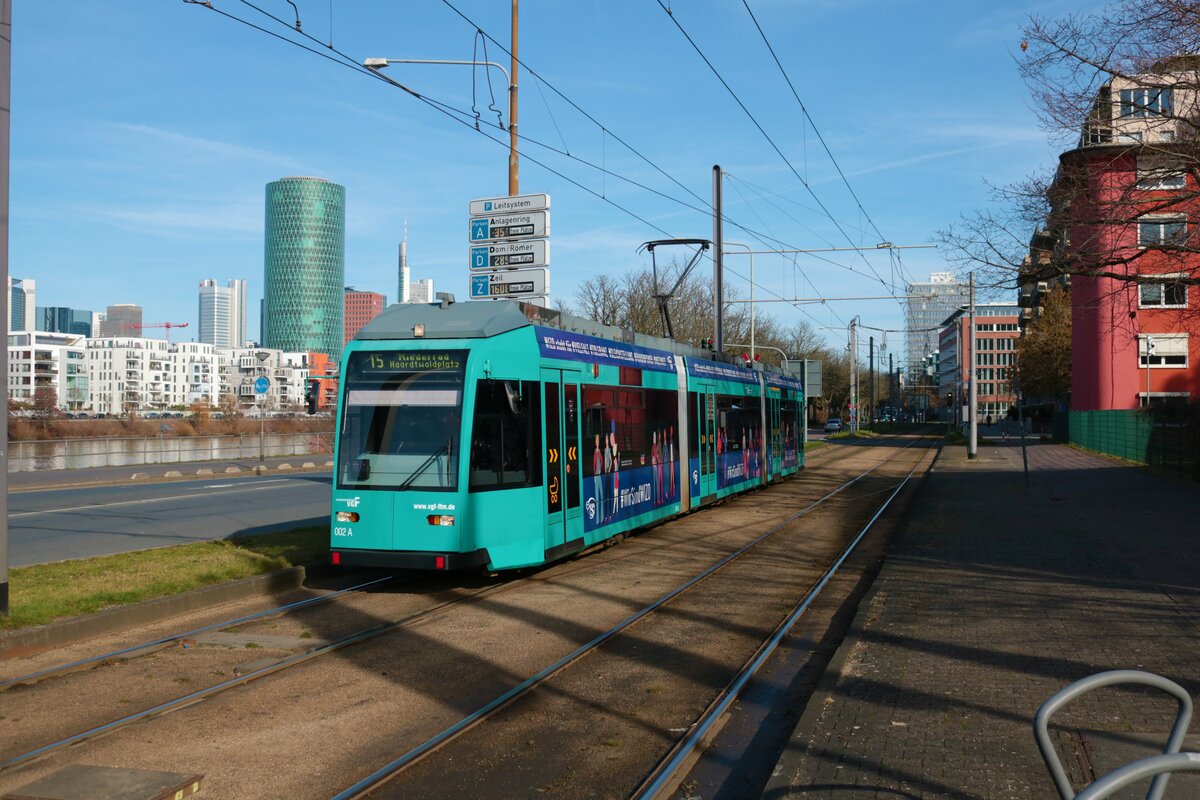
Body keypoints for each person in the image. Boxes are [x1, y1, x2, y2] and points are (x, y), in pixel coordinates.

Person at [593, 433, 605, 523]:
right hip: (596, 476)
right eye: (596, 440)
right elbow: (594, 464)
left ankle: (602, 517)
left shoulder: (600, 451)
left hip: (599, 475)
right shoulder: (595, 452)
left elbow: (602, 461)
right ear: (595, 442)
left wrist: (601, 469)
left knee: (601, 496)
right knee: (597, 498)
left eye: (598, 440)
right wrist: (594, 475)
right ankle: (597, 519)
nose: (597, 442)